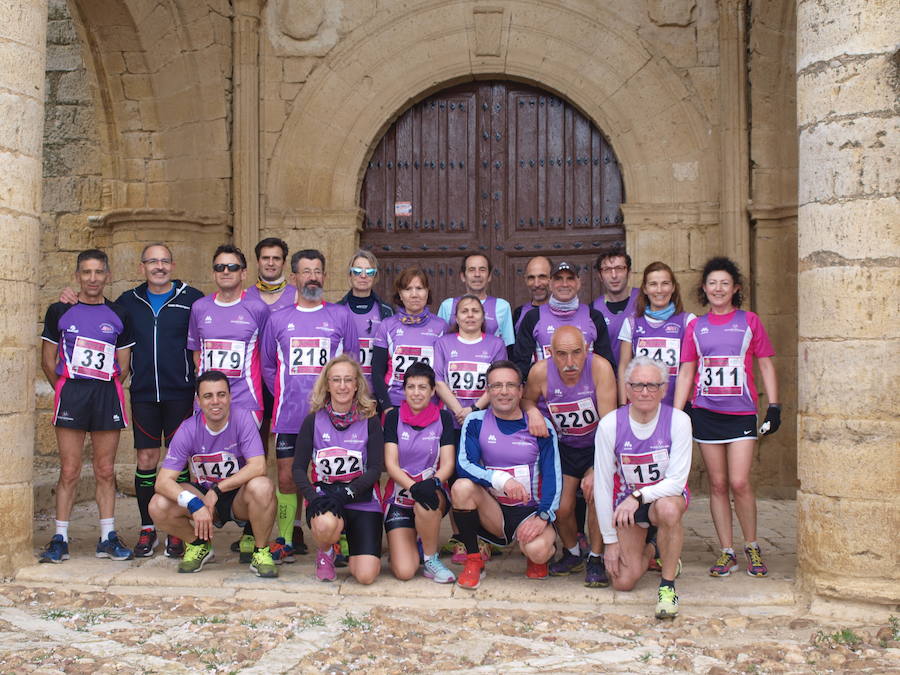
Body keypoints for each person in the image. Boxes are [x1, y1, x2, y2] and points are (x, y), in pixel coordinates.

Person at [59, 243, 203, 559]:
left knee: (179, 464)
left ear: (173, 265)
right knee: (147, 460)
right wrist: (69, 297)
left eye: (165, 261)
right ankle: (148, 527)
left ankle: (177, 529)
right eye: (152, 262)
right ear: (142, 268)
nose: (159, 267)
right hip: (143, 394)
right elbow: (94, 312)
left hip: (180, 392)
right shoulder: (128, 302)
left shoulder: (192, 299)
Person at [673, 256, 781, 578]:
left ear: (735, 288)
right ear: (704, 289)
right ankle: (727, 551)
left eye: (724, 283)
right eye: (712, 283)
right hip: (706, 413)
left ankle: (751, 544)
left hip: (741, 413)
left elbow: (765, 364)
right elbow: (687, 370)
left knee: (739, 481)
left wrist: (774, 406)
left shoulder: (750, 321)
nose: (718, 289)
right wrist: (677, 415)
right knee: (718, 484)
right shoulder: (696, 326)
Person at [261, 249, 358, 564]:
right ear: (294, 278)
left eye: (317, 271)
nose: (312, 276)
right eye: (306, 271)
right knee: (288, 478)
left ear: (324, 277)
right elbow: (268, 367)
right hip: (289, 416)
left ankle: (337, 540)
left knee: (333, 477)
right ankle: (287, 538)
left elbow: (352, 365)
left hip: (332, 418)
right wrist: (290, 392)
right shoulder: (278, 319)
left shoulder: (341, 316)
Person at [39, 249, 135, 563]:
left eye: (98, 272)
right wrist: (67, 388)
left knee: (105, 470)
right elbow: (47, 359)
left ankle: (107, 536)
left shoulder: (119, 314)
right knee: (69, 470)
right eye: (86, 272)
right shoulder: (59, 310)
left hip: (106, 395)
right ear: (78, 276)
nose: (92, 278)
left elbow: (123, 367)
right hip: (73, 395)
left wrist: (100, 387)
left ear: (107, 275)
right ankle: (60, 537)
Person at [149, 371, 278, 577]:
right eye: (208, 396)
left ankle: (261, 551)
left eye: (221, 394)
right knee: (158, 504)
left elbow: (258, 466)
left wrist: (219, 489)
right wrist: (193, 503)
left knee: (263, 486)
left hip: (238, 496)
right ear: (198, 401)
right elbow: (163, 481)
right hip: (204, 497)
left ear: (230, 396)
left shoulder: (243, 418)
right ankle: (199, 544)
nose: (215, 401)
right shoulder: (188, 428)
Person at [594, 357, 692, 619]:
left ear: (663, 389)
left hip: (658, 500)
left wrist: (639, 496)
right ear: (626, 389)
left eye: (652, 385)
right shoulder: (610, 425)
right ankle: (652, 548)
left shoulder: (679, 421)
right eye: (637, 385)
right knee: (623, 581)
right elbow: (602, 484)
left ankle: (667, 586)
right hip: (627, 505)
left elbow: (677, 481)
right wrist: (610, 541)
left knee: (669, 510)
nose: (645, 392)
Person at [452, 360, 561, 589]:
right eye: (496, 386)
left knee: (538, 551)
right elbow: (464, 465)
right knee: (461, 488)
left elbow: (553, 476)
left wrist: (543, 516)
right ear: (488, 391)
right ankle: (474, 560)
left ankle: (539, 555)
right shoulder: (475, 421)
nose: (503, 392)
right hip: (493, 510)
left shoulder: (540, 426)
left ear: (521, 390)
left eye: (510, 385)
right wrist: (502, 479)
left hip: (529, 511)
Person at [521, 326, 616, 587]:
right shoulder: (540, 371)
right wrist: (534, 412)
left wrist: (598, 468)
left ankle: (595, 558)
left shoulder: (600, 368)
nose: (570, 362)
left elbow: (609, 425)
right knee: (561, 507)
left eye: (576, 353)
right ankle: (572, 552)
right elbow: (526, 400)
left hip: (597, 445)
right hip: (564, 447)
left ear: (587, 349)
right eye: (562, 355)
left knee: (597, 496)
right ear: (551, 353)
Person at [292, 355, 385, 584]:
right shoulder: (313, 420)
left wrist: (347, 493)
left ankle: (351, 547)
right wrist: (314, 498)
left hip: (361, 498)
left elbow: (375, 468)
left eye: (348, 380)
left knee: (365, 576)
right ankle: (325, 552)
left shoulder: (370, 420)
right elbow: (297, 469)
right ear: (327, 385)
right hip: (326, 498)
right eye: (336, 380)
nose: (342, 386)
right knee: (325, 523)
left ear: (356, 385)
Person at [383, 362, 457, 583]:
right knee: (405, 571)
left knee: (425, 503)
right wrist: (413, 487)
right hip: (400, 497)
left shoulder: (443, 418)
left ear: (433, 391)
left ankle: (431, 559)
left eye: (423, 387)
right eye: (411, 387)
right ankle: (406, 549)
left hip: (431, 493)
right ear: (404, 390)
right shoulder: (394, 417)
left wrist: (433, 483)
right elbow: (391, 464)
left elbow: (448, 464)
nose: (416, 393)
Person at [187, 244, 269, 424]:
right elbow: (197, 353)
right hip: (207, 402)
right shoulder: (199, 307)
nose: (225, 271)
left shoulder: (258, 309)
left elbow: (267, 355)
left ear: (244, 273)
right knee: (207, 453)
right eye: (219, 267)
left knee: (245, 453)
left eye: (232, 267)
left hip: (245, 400)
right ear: (213, 273)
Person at [512, 261, 615, 378]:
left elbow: (606, 365)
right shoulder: (533, 317)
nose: (564, 284)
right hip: (546, 393)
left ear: (578, 282)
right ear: (550, 284)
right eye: (558, 279)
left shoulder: (594, 316)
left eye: (570, 278)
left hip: (586, 392)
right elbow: (521, 365)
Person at [617, 261, 695, 407]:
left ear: (673, 287)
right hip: (641, 404)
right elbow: (624, 367)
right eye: (653, 284)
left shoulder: (688, 321)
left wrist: (679, 410)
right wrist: (623, 404)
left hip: (677, 404)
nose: (659, 290)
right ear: (645, 289)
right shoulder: (632, 323)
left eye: (665, 283)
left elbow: (690, 368)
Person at [371, 266, 449, 413]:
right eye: (408, 289)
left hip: (429, 405)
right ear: (400, 294)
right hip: (395, 404)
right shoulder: (387, 325)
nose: (414, 294)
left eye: (419, 288)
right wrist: (387, 407)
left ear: (427, 292)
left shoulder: (441, 327)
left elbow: (444, 373)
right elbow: (377, 371)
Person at [434, 294, 508, 435]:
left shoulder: (497, 344)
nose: (470, 315)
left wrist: (473, 411)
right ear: (456, 317)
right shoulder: (443, 343)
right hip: (450, 420)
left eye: (475, 311)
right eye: (464, 311)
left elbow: (498, 383)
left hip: (484, 420)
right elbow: (438, 382)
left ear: (483, 316)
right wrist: (460, 412)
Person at [336, 249, 393, 393]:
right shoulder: (336, 310)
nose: (363, 276)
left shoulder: (386, 311)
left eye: (369, 272)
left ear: (375, 276)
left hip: (377, 391)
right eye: (357, 270)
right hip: (345, 389)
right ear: (350, 274)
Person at [437, 254, 515, 346]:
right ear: (463, 276)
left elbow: (508, 345)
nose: (477, 274)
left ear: (489, 276)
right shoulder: (448, 305)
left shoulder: (502, 306)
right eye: (471, 270)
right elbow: (439, 342)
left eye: (482, 270)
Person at [592, 245, 639, 372]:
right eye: (607, 269)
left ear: (629, 272)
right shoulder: (594, 310)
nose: (614, 275)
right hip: (608, 382)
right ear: (600, 275)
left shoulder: (644, 301)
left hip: (642, 383)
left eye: (619, 268)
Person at [244, 237, 296, 311]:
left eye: (276, 258)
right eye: (265, 258)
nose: (271, 263)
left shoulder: (298, 296)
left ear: (284, 263)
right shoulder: (244, 296)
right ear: (258, 262)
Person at [512, 256, 552, 333]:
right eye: (531, 278)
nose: (536, 284)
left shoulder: (564, 311)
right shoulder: (518, 313)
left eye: (542, 277)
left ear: (552, 278)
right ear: (526, 280)